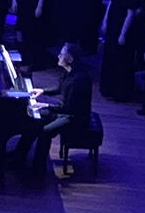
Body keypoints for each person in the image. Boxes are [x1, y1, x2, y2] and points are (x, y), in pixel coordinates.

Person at [9, 42, 94, 174]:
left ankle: (38, 169)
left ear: (70, 59)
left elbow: (69, 108)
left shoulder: (78, 81)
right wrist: (42, 91)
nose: (59, 56)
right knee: (34, 120)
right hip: (66, 111)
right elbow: (60, 88)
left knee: (45, 131)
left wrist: (46, 105)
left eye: (62, 54)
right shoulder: (70, 72)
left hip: (74, 118)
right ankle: (19, 155)